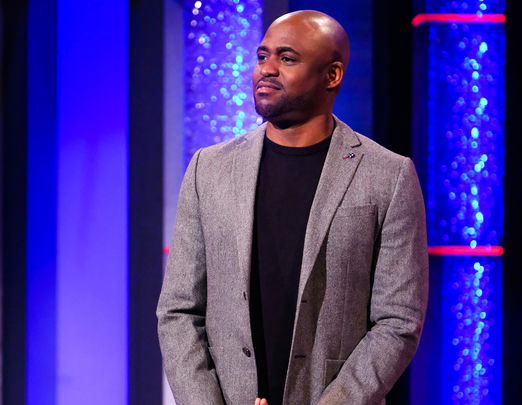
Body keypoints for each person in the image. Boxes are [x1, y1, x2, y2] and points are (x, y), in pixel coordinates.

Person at [157, 10, 428, 405]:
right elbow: (179, 311)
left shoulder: (388, 175)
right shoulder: (208, 169)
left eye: (286, 58)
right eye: (262, 56)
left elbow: (398, 321)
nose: (266, 69)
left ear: (332, 75)